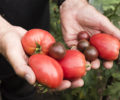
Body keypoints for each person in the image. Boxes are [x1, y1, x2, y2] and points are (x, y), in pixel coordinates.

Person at [0, 0, 120, 100]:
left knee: (21, 88)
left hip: (30, 40)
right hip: (22, 43)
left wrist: (73, 2)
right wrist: (3, 31)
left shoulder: (40, 49)